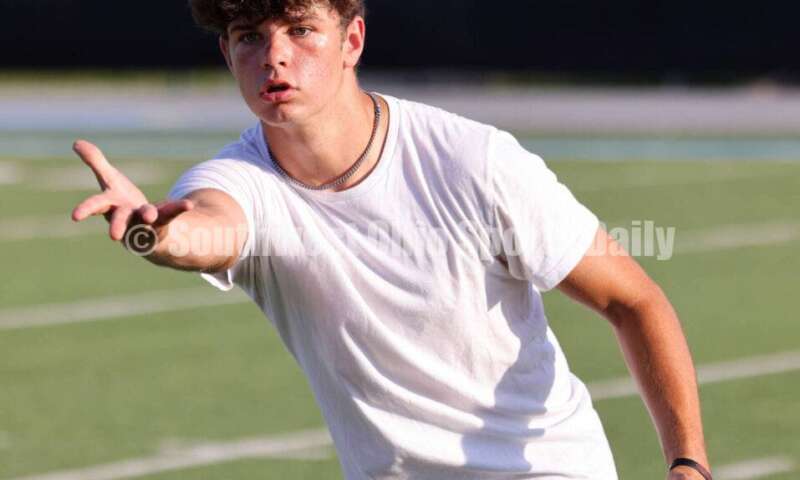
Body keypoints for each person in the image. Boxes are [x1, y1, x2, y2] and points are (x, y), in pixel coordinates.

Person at [71, 1, 712, 479]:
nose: (275, 56)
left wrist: (689, 462)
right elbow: (209, 227)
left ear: (351, 39)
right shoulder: (237, 179)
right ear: (227, 55)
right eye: (249, 38)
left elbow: (633, 300)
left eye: (300, 29)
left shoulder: (473, 161)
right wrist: (152, 235)